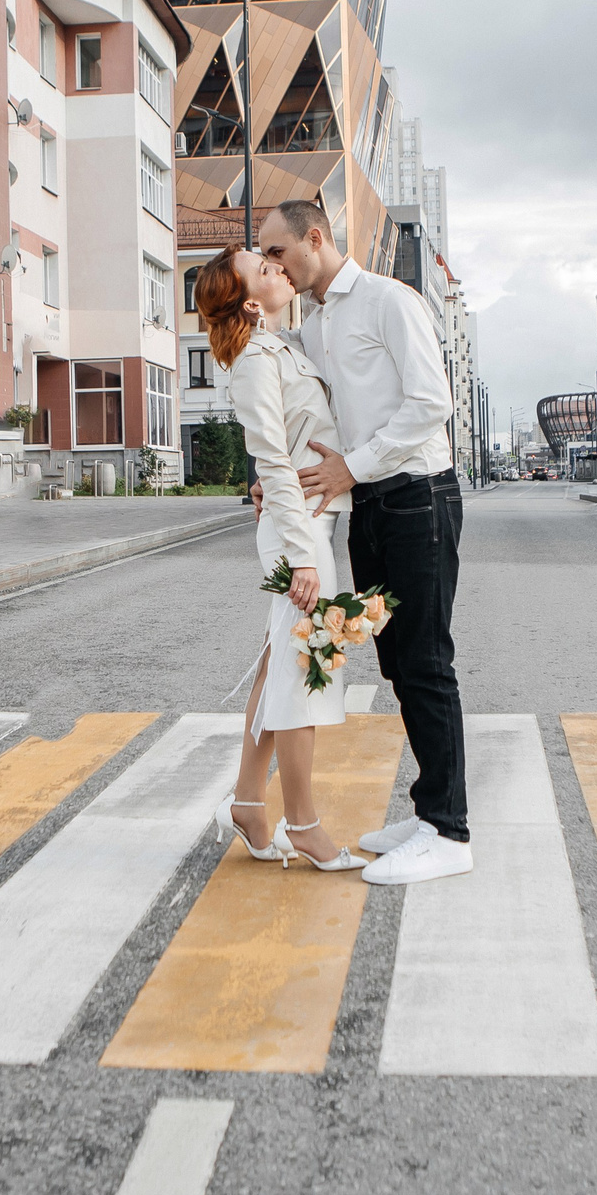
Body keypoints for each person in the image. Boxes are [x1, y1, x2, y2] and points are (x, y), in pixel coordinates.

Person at [257, 198, 473, 886]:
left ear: (314, 239)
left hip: (419, 498)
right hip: (373, 506)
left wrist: (353, 465)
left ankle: (450, 831)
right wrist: (284, 484)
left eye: (278, 253)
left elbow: (431, 402)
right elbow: (312, 421)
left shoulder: (388, 300)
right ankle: (429, 809)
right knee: (396, 665)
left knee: (427, 662)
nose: (273, 266)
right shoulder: (317, 327)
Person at [191, 245, 364, 871]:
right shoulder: (255, 360)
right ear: (247, 300)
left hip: (307, 525)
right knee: (304, 673)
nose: (275, 268)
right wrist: (302, 556)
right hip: (300, 536)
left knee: (278, 667)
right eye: (261, 268)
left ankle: (247, 801)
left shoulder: (284, 345)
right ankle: (304, 825)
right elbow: (270, 456)